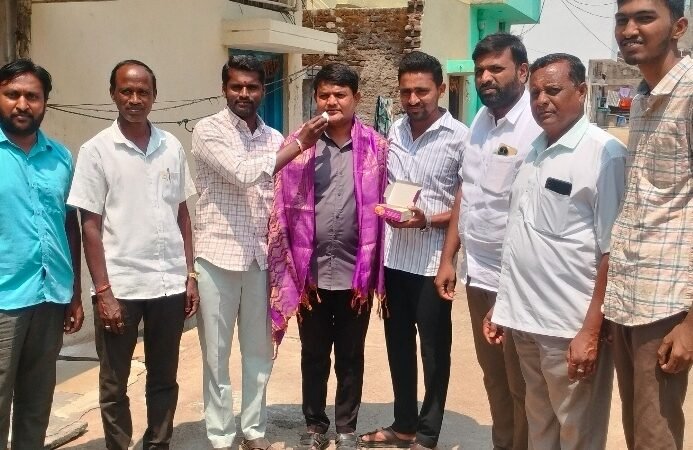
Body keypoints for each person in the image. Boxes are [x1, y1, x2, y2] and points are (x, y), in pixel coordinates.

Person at [484, 53, 627, 449]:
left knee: (578, 433)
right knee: (540, 427)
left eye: (553, 90)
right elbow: (521, 237)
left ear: (581, 92)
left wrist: (591, 330)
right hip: (526, 324)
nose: (542, 100)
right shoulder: (533, 152)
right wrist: (503, 305)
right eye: (535, 93)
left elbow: (612, 250)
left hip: (569, 328)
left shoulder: (604, 154)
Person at [192, 54, 327, 450]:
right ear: (224, 89)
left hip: (258, 259)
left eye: (252, 87)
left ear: (262, 90)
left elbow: (284, 197)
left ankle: (253, 431)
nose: (244, 93)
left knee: (258, 354)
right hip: (217, 256)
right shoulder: (208, 130)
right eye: (236, 86)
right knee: (216, 356)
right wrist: (300, 144)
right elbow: (244, 173)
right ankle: (221, 436)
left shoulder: (272, 138)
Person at [67, 60, 198, 450]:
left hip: (168, 286)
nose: (135, 99)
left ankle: (158, 443)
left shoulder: (171, 146)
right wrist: (103, 291)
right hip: (120, 288)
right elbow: (90, 225)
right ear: (113, 94)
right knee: (114, 383)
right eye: (127, 91)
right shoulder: (96, 151)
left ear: (155, 96)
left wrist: (189, 275)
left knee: (164, 378)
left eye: (143, 92)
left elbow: (182, 214)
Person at [267, 63, 387, 450]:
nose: (331, 101)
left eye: (340, 94)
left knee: (351, 355)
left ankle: (347, 427)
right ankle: (315, 426)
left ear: (356, 98)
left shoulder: (377, 148)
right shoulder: (299, 146)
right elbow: (278, 202)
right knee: (314, 354)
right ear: (315, 98)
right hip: (310, 275)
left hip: (356, 273)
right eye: (324, 95)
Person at [435, 33, 540, 450]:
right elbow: (467, 189)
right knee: (494, 377)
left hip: (518, 281)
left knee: (523, 384)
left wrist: (510, 290)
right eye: (480, 70)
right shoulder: (480, 120)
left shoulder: (535, 126)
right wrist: (449, 257)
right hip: (478, 275)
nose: (485, 78)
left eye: (496, 68)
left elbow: (532, 214)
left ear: (522, 71)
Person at [361, 51, 468, 450]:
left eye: (422, 91)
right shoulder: (394, 132)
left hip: (432, 263)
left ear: (441, 88)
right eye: (406, 91)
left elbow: (467, 205)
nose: (413, 99)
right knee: (398, 346)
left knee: (434, 352)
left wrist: (427, 221)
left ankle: (427, 433)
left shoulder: (461, 138)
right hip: (394, 260)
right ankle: (404, 424)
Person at [606, 1, 692, 448]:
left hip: (667, 303)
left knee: (656, 435)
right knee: (637, 430)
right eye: (622, 19)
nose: (629, 29)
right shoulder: (642, 97)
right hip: (629, 295)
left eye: (644, 18)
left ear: (679, 26)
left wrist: (691, 323)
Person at [0, 58, 83, 450]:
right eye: (12, 94)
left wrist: (75, 294)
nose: (22, 104)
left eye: (32, 96)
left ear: (45, 102)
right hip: (4, 300)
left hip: (51, 298)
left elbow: (70, 225)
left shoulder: (61, 157)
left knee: (36, 402)